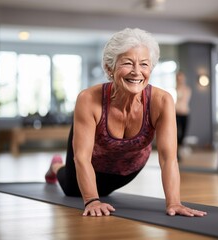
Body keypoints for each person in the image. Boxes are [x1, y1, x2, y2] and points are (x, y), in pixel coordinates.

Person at [45, 28, 207, 218]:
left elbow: (168, 158)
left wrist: (174, 202)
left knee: (104, 192)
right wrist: (92, 200)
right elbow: (82, 158)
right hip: (91, 159)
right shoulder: (88, 99)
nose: (137, 72)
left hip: (128, 166)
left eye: (144, 64)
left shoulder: (162, 101)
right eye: (128, 63)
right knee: (73, 190)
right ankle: (56, 166)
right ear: (109, 68)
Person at [175, 71, 192, 160]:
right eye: (179, 78)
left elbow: (184, 100)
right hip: (176, 113)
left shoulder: (187, 89)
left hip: (185, 113)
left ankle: (180, 150)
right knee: (176, 134)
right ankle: (176, 152)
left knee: (183, 134)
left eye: (182, 78)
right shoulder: (174, 89)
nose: (180, 80)